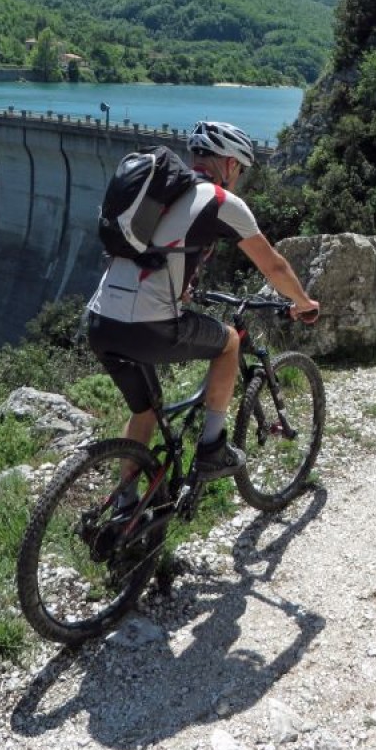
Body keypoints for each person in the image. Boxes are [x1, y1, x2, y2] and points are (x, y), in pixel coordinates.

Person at [86, 120, 319, 507]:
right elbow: (274, 266)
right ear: (228, 163)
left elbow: (159, 251)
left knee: (145, 409)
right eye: (240, 170)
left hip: (100, 320)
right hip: (147, 325)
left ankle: (126, 508)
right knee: (229, 341)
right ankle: (212, 448)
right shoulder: (220, 201)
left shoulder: (161, 196)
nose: (239, 178)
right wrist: (303, 302)